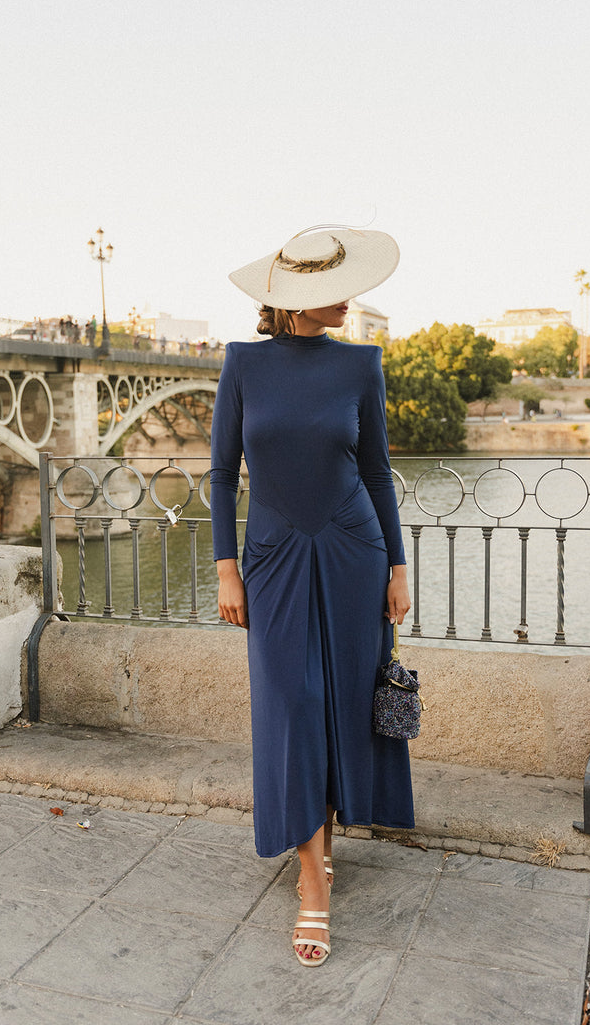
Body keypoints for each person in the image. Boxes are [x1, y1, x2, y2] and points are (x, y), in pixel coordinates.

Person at [210, 224, 413, 968]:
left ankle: (319, 845)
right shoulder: (243, 365)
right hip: (270, 558)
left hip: (354, 552)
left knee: (340, 705)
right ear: (292, 299)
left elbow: (379, 471)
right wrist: (226, 567)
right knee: (291, 706)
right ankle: (311, 883)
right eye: (330, 288)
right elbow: (224, 475)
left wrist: (396, 565)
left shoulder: (362, 365)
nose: (347, 299)